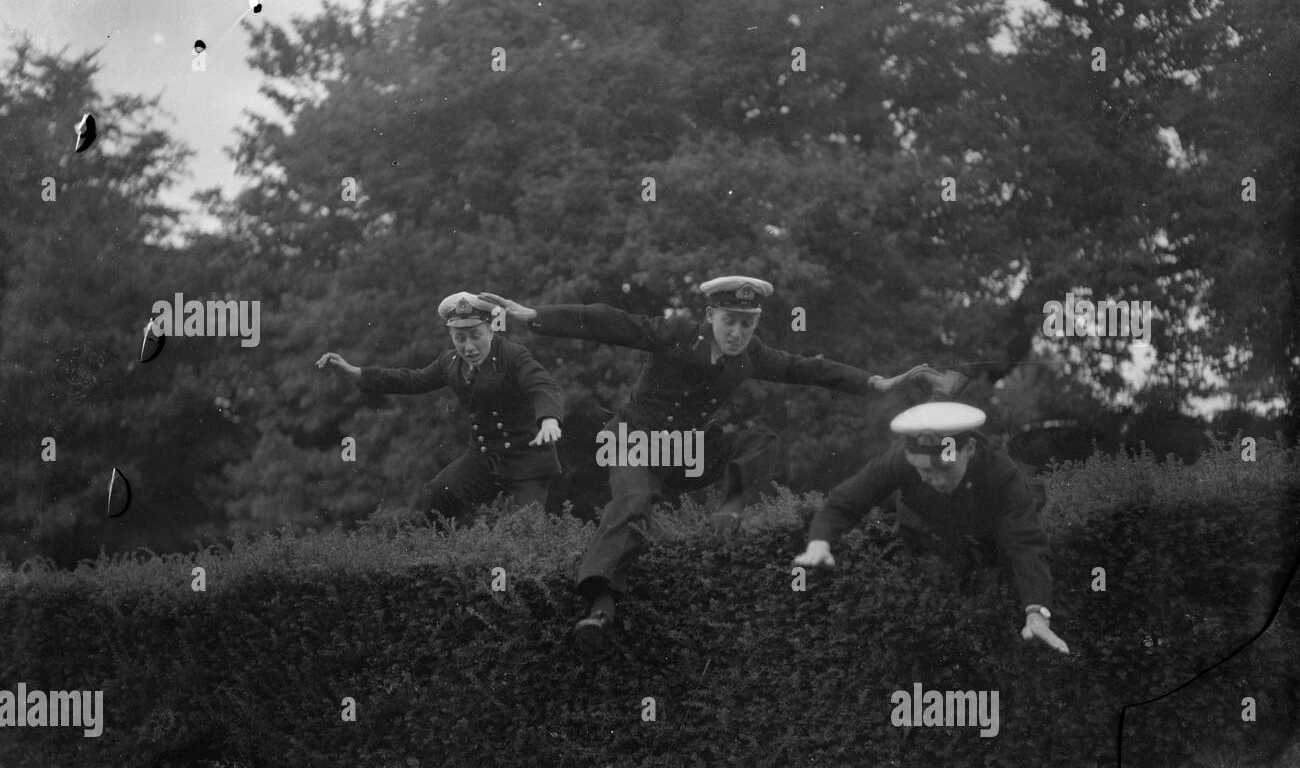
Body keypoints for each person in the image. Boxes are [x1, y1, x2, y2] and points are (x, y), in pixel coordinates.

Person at [480, 276, 955, 647]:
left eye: (747, 324)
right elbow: (610, 322)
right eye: (730, 321)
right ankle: (599, 606)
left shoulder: (749, 355)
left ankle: (730, 509)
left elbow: (804, 368)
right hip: (635, 443)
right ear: (710, 316)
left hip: (688, 453)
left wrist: (874, 383)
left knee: (760, 438)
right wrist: (536, 316)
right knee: (636, 502)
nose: (738, 333)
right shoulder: (677, 333)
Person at [793, 401, 1069, 653]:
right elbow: (844, 502)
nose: (936, 480)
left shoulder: (1001, 473)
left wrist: (1036, 612)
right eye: (925, 472)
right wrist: (819, 542)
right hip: (927, 534)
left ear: (969, 449)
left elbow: (1027, 545)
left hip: (988, 533)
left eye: (945, 469)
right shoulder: (899, 460)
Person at [315, 292, 564, 522]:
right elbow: (411, 379)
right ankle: (438, 560)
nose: (469, 347)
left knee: (523, 527)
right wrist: (356, 373)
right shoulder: (450, 362)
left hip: (527, 460)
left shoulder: (513, 355)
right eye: (460, 338)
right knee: (438, 495)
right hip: (484, 457)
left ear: (490, 330)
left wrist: (549, 419)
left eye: (475, 336)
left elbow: (542, 386)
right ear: (451, 337)